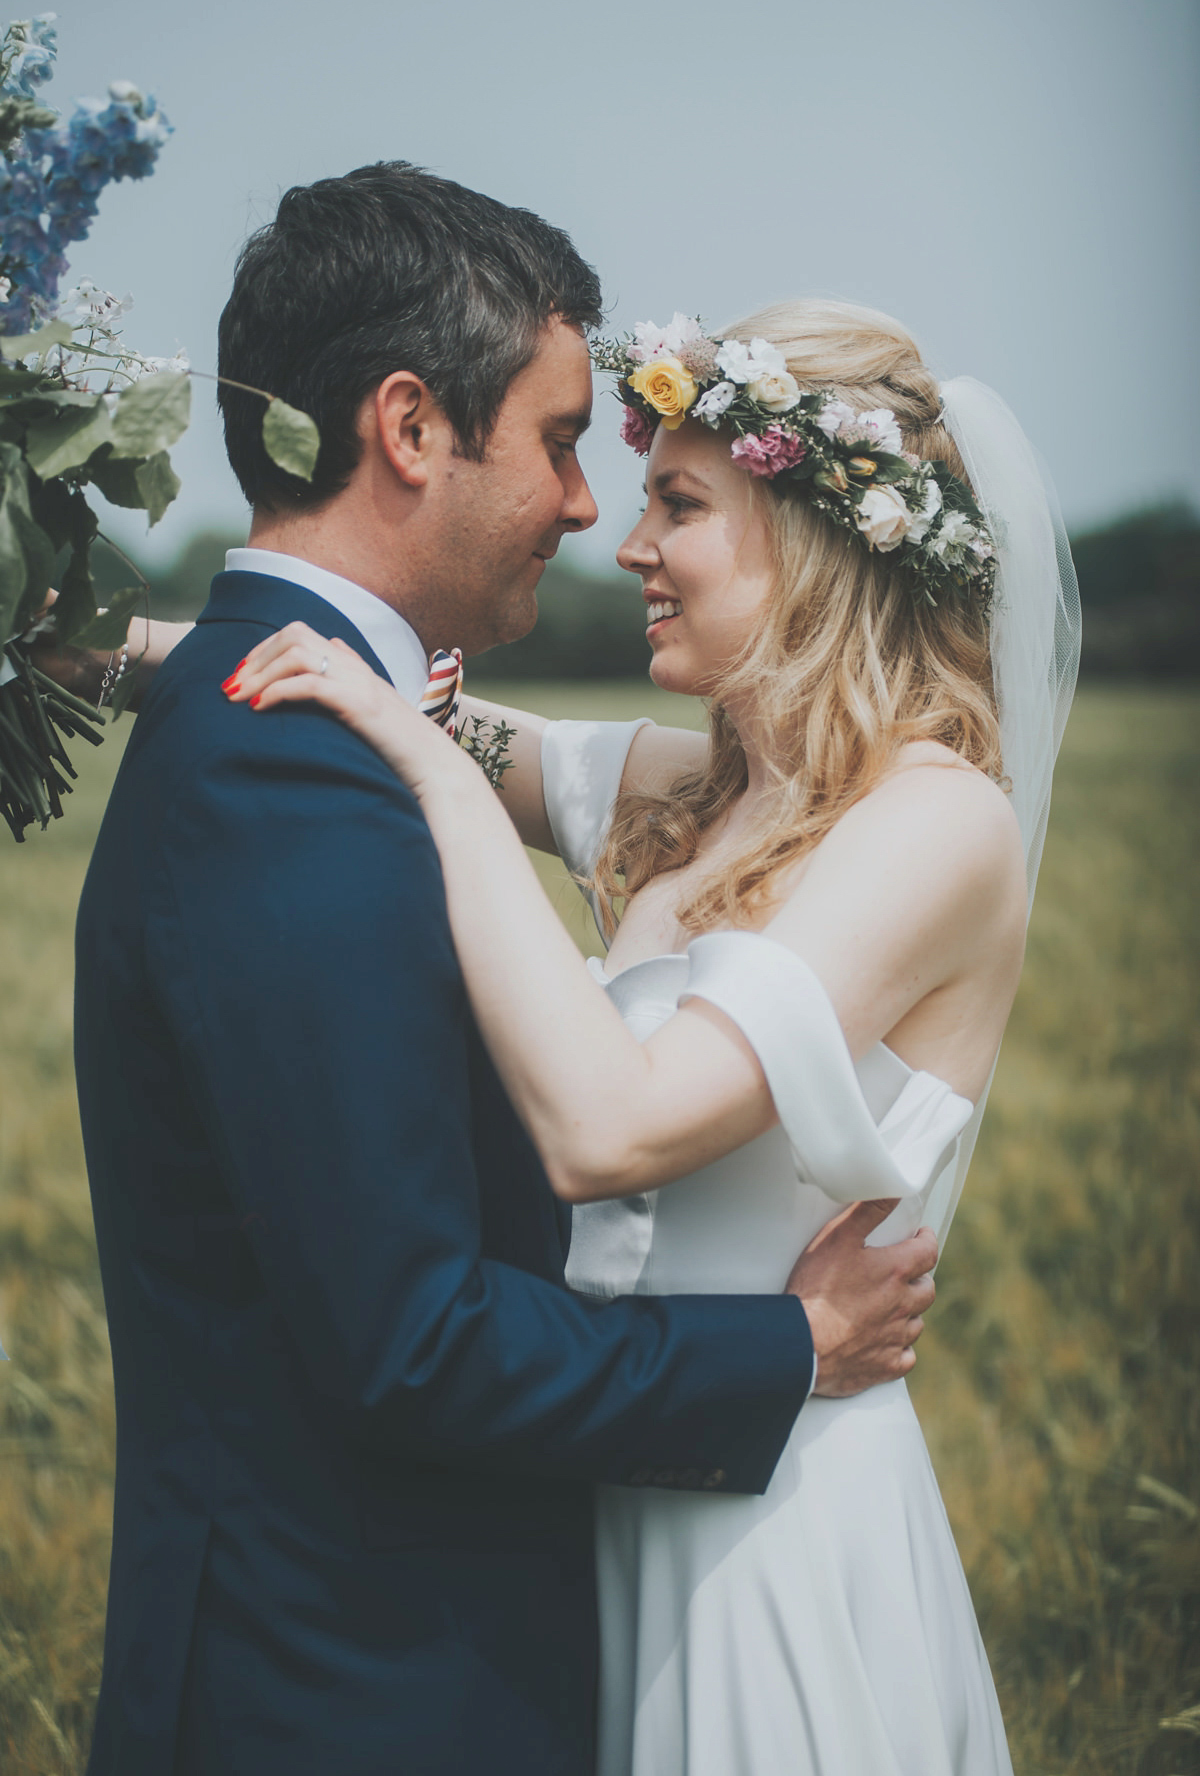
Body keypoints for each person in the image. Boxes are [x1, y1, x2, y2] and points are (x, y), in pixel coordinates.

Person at [69, 167, 938, 1776]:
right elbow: (413, 1338)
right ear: (409, 427)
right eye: (559, 442)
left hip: (538, 1613)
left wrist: (118, 644)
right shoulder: (296, 769)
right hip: (347, 1695)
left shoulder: (320, 726)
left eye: (676, 496)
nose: (596, 510)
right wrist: (790, 1349)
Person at [220, 299, 1082, 1774]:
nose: (627, 545)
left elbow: (613, 1122)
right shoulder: (698, 791)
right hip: (601, 1492)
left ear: (816, 537)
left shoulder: (940, 823)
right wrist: (81, 643)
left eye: (679, 503)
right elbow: (385, 690)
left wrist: (423, 763)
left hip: (775, 1528)